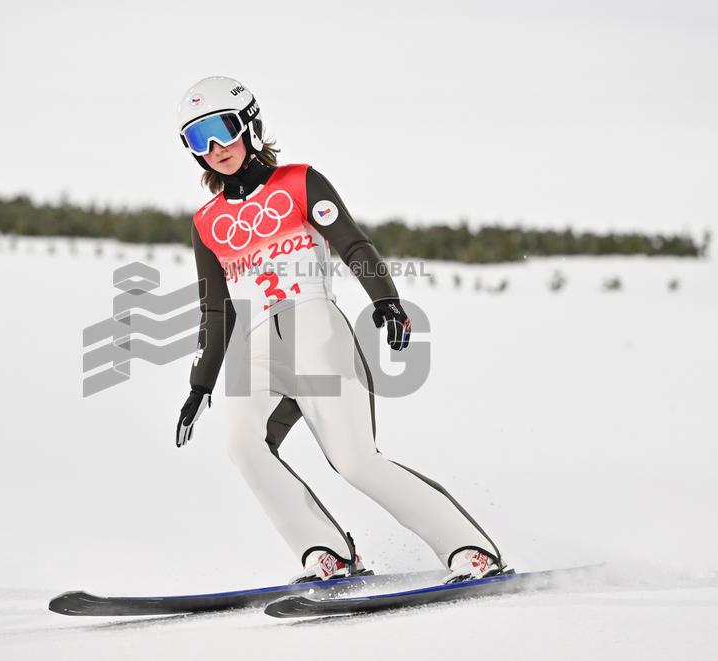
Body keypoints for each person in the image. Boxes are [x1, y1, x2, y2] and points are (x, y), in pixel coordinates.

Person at [174, 76, 508, 584]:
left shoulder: (300, 182)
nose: (215, 148)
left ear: (249, 124)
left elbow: (353, 245)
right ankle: (326, 554)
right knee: (243, 444)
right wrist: (200, 386)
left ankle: (470, 548)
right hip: (255, 347)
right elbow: (215, 312)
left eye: (222, 129)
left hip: (316, 330)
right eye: (199, 139)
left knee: (355, 462)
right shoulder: (206, 223)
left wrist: (387, 301)